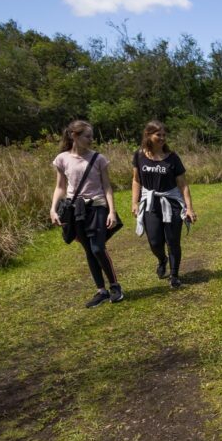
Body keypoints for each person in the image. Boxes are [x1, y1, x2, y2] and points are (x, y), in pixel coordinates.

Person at [50, 120, 124, 307]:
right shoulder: (62, 159)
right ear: (73, 136)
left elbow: (107, 186)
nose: (91, 140)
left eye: (92, 136)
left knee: (98, 248)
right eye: (87, 136)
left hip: (97, 206)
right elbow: (60, 187)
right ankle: (101, 291)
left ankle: (115, 286)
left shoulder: (99, 159)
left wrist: (112, 211)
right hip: (76, 210)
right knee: (89, 250)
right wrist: (53, 209)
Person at [131, 120, 197, 289]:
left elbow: (183, 184)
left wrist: (189, 208)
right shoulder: (139, 155)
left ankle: (174, 275)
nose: (162, 138)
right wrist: (135, 202)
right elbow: (136, 180)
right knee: (154, 241)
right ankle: (162, 259)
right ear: (148, 135)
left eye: (164, 135)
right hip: (150, 203)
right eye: (158, 135)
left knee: (173, 241)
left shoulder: (172, 158)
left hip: (171, 203)